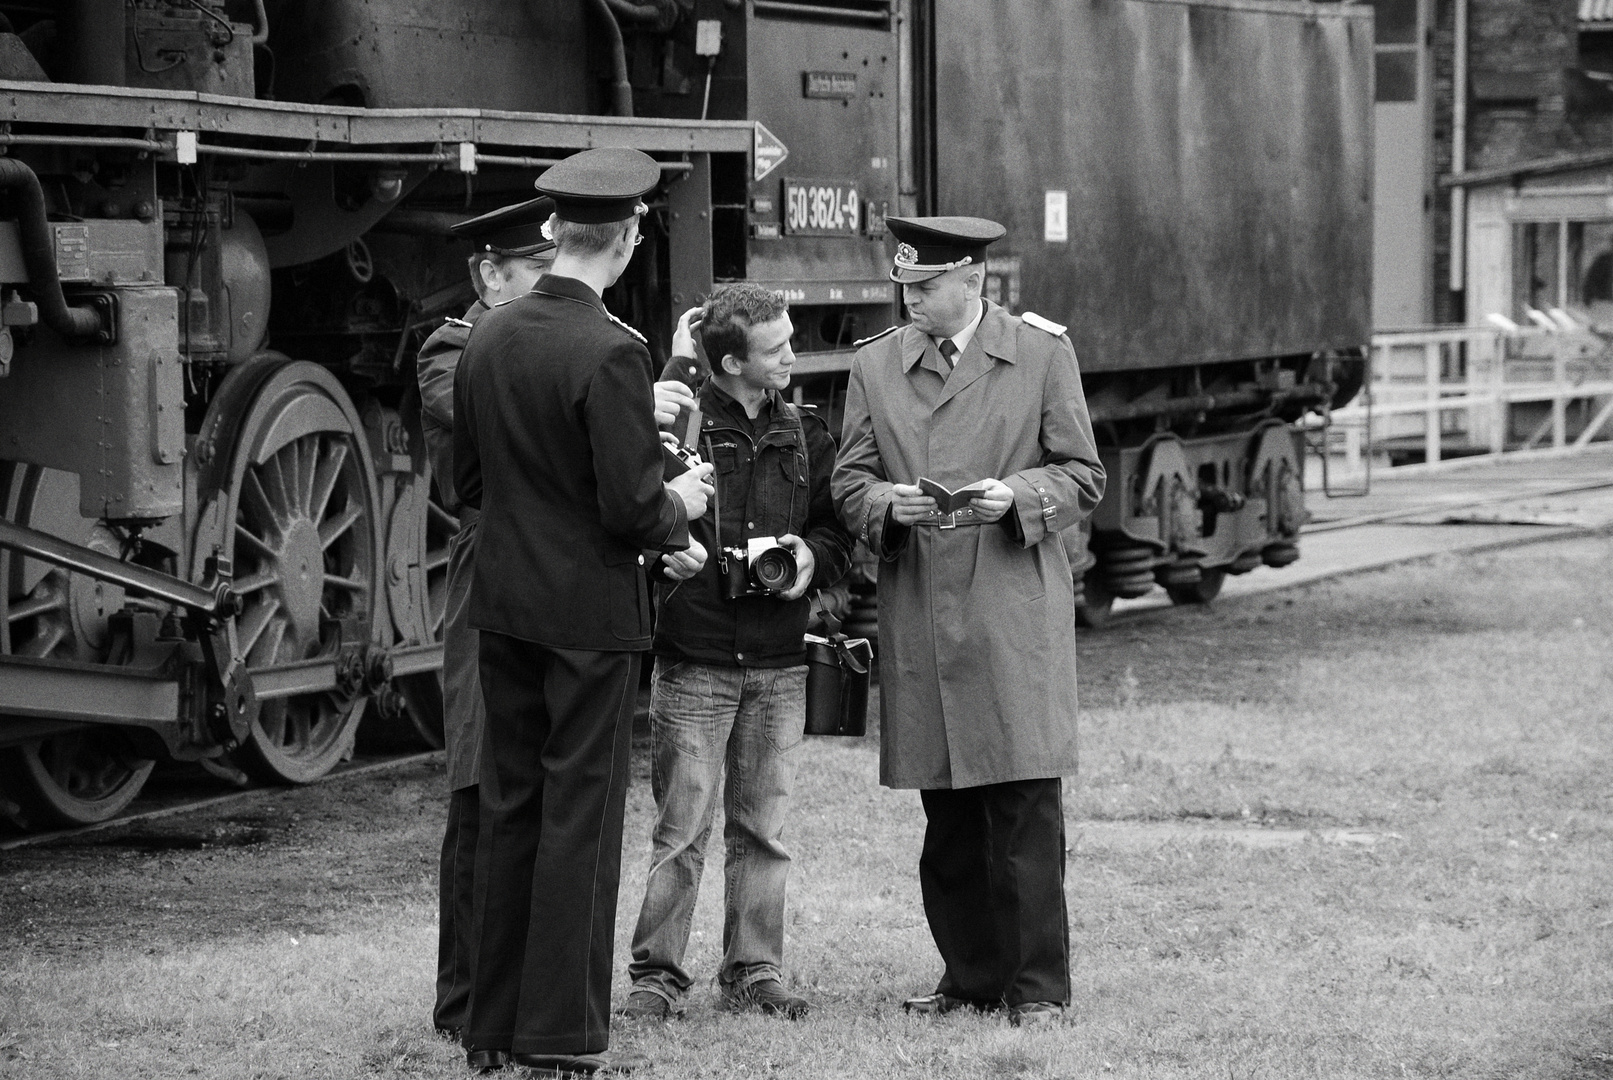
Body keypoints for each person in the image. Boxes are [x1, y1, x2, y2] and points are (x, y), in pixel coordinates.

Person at [453, 146, 715, 1076]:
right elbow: (631, 507)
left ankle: (490, 1028)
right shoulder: (612, 350)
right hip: (589, 615)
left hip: (505, 605)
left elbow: (470, 482)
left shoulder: (487, 335)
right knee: (581, 818)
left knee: (511, 808)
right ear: (631, 237)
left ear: (555, 232)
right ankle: (559, 1035)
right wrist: (679, 502)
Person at [830, 216, 1106, 1026]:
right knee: (946, 817)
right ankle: (971, 978)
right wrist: (890, 502)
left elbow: (1082, 473)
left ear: (973, 282)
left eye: (925, 285)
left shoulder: (1041, 353)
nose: (911, 297)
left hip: (1011, 607)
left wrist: (1015, 496)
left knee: (1022, 809)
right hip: (923, 611)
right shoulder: (875, 365)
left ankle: (1038, 989)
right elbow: (849, 480)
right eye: (905, 286)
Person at [621, 285, 855, 1022]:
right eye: (777, 347)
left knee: (763, 830)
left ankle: (755, 971)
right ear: (728, 362)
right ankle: (655, 978)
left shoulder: (805, 430)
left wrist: (809, 560)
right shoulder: (673, 432)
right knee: (680, 832)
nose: (792, 354)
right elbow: (632, 519)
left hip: (780, 662)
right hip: (694, 659)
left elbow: (834, 531)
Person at [417, 195, 557, 1043]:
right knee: (478, 777)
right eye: (535, 271)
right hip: (489, 566)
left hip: (545, 568)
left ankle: (513, 982)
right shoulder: (452, 348)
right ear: (489, 275)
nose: (551, 284)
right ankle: (464, 998)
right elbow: (488, 416)